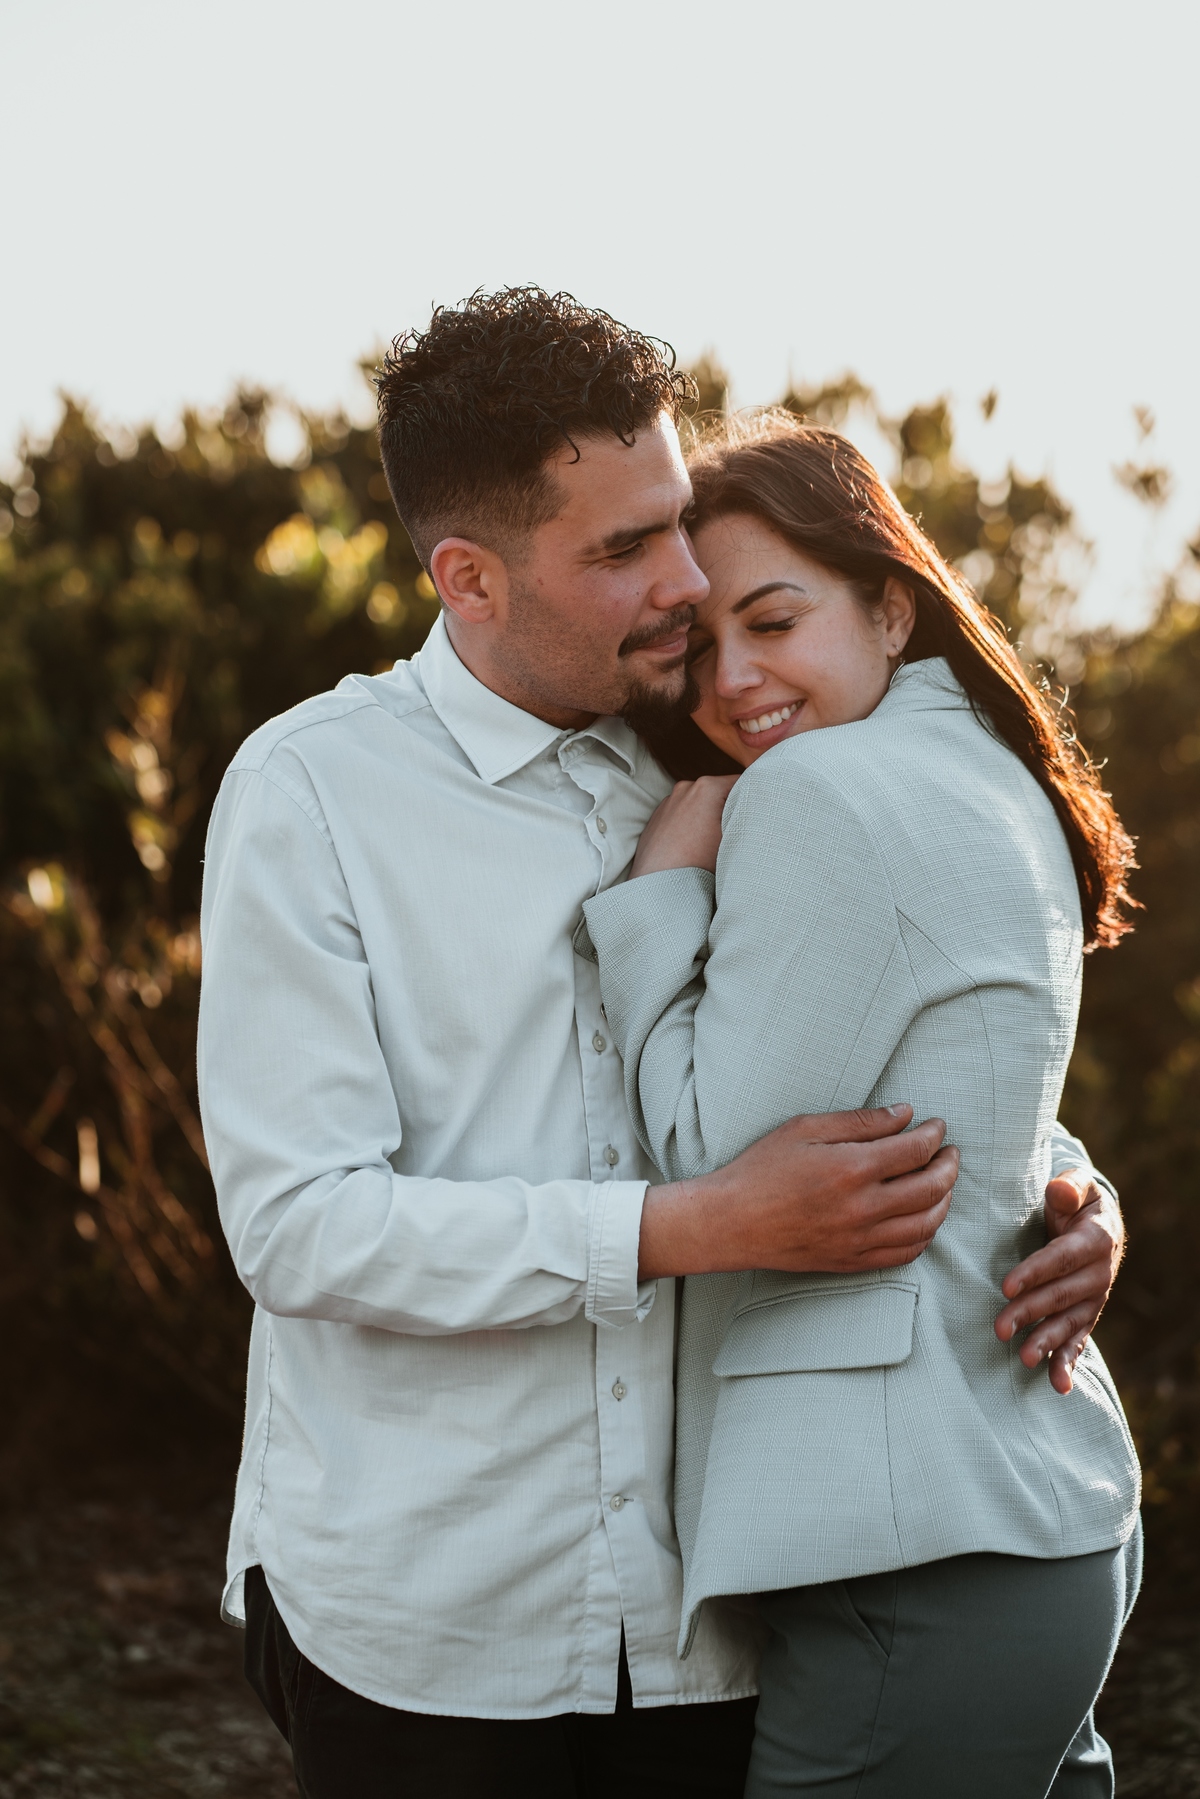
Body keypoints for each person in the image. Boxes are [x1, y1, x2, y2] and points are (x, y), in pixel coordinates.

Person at [197, 290, 1125, 1799]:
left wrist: (1067, 1194)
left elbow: (906, 1016)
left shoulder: (735, 749)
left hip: (721, 1612)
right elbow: (300, 1226)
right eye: (624, 550)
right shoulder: (313, 796)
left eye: (677, 524)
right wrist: (693, 1227)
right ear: (469, 577)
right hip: (438, 1628)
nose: (687, 583)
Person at [582, 409, 1142, 1798]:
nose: (736, 680)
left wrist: (656, 904)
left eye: (774, 620)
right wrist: (1089, 1197)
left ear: (891, 607)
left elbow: (718, 1164)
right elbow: (970, 1079)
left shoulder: (821, 792)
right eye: (705, 649)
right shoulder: (993, 776)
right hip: (1023, 1519)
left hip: (914, 1557)